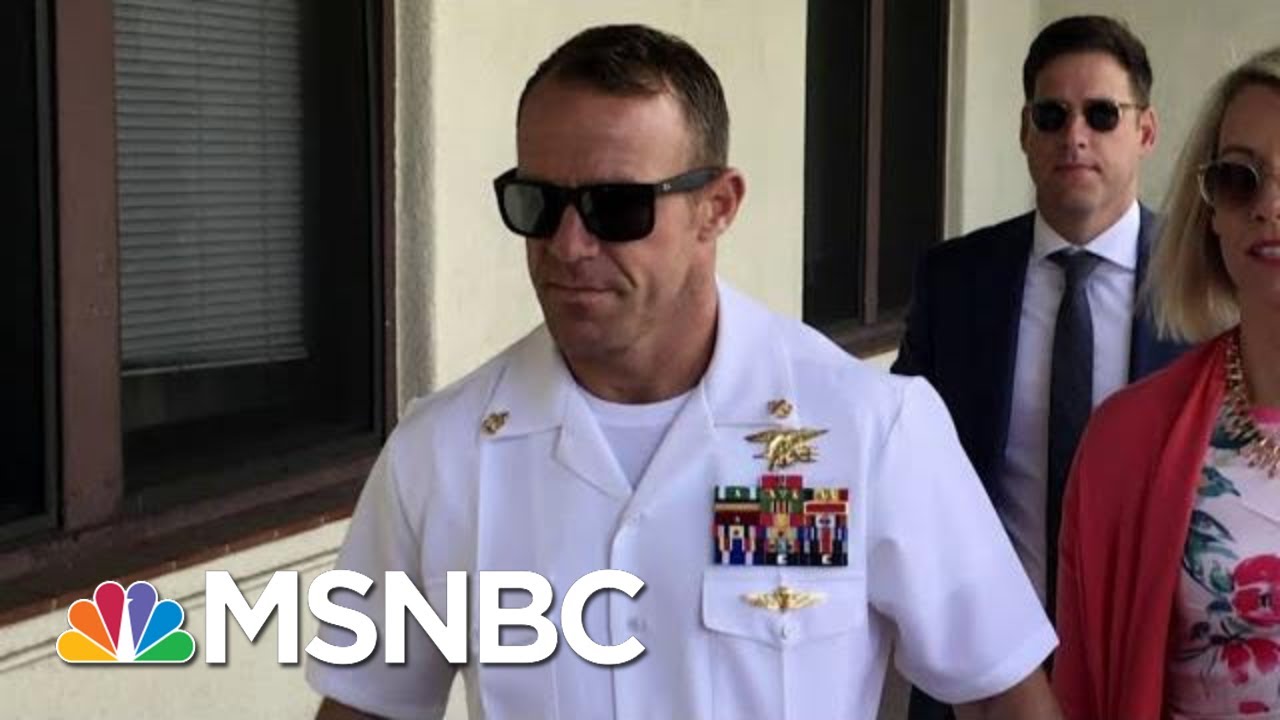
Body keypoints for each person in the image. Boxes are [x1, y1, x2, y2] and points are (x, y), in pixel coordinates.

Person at [307, 24, 1060, 720]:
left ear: (717, 207)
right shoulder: (443, 454)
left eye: (616, 207)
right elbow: (366, 707)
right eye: (539, 203)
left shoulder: (867, 429)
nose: (568, 245)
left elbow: (1001, 695)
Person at [892, 15, 1188, 720]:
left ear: (1145, 131)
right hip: (984, 677)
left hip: (1152, 669)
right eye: (1052, 115)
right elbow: (902, 462)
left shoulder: (1201, 286)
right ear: (1025, 131)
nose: (1074, 136)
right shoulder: (955, 280)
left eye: (1102, 114)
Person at [1053, 46, 1280, 719]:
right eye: (1241, 179)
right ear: (1211, 212)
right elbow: (1087, 687)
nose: (1269, 205)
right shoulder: (1127, 439)